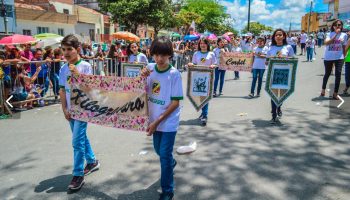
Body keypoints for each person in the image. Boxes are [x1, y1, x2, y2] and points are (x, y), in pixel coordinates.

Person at [141, 36, 183, 200]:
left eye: (163, 55)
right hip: (153, 120)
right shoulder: (150, 68)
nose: (159, 58)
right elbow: (139, 88)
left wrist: (157, 121)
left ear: (170, 55)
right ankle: (171, 163)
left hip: (168, 121)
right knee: (160, 151)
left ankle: (167, 190)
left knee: (164, 155)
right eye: (156, 54)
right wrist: (141, 75)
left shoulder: (174, 75)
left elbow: (175, 104)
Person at [58, 34, 100, 191]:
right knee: (81, 138)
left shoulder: (85, 66)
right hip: (70, 110)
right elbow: (62, 90)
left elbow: (89, 88)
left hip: (82, 109)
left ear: (77, 49)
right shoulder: (63, 68)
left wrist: (76, 73)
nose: (66, 53)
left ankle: (78, 174)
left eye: (69, 49)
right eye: (64, 50)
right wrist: (64, 108)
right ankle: (92, 161)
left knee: (76, 142)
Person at [266, 29, 295, 124]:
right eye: (276, 35)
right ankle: (274, 115)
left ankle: (279, 107)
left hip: (285, 74)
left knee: (282, 93)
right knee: (273, 94)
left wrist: (285, 58)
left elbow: (293, 59)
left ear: (284, 36)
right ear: (274, 37)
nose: (278, 36)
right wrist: (271, 59)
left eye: (280, 35)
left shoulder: (289, 47)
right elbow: (266, 62)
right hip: (273, 74)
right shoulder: (271, 48)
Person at [188, 38, 216, 126]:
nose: (202, 45)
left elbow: (215, 64)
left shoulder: (211, 54)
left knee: (205, 96)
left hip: (208, 77)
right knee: (199, 96)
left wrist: (213, 65)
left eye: (204, 43)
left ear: (207, 45)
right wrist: (191, 64)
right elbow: (194, 64)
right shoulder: (196, 53)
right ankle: (203, 112)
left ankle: (205, 115)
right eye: (201, 43)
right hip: (197, 78)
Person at [321, 20, 348, 99]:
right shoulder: (328, 34)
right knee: (327, 74)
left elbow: (344, 45)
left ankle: (335, 93)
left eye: (339, 25)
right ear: (333, 26)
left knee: (338, 75)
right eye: (336, 25)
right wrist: (336, 34)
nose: (338, 26)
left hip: (339, 57)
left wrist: (344, 54)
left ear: (342, 26)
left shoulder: (344, 35)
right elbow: (326, 43)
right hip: (328, 57)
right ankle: (323, 89)